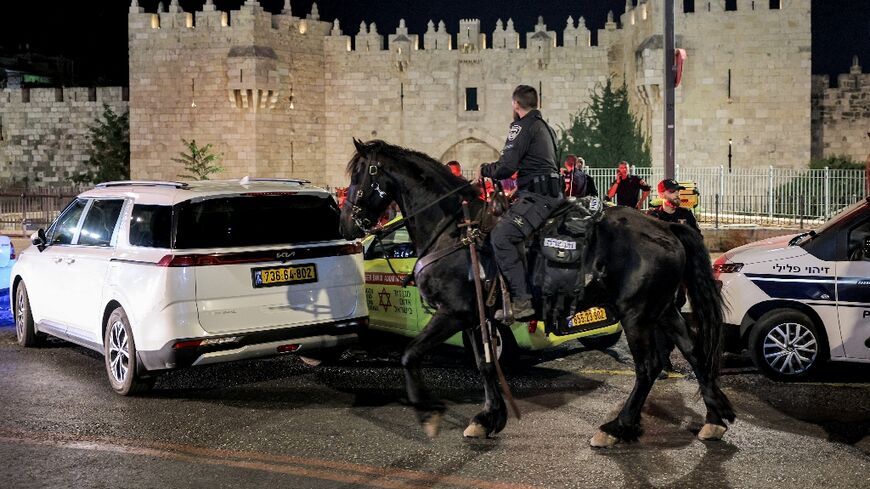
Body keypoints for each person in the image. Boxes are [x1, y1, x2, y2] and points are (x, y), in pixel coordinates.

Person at [478, 85, 563, 321]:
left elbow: (506, 167)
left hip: (538, 198)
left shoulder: (521, 126)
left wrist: (485, 169)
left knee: (501, 236)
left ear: (516, 104)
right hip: (552, 195)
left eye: (513, 104)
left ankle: (522, 301)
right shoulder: (546, 127)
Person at [647, 178, 700, 379]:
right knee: (662, 318)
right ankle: (659, 361)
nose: (677, 195)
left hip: (680, 277)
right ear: (662, 195)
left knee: (673, 314)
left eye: (677, 191)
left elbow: (697, 240)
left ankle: (663, 359)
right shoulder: (653, 217)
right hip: (659, 277)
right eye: (672, 192)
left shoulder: (685, 215)